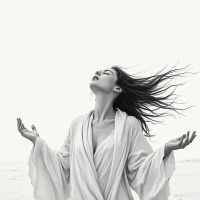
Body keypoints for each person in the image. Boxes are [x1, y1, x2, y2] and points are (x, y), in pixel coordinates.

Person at [17, 64, 197, 200]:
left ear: (117, 88)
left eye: (106, 73)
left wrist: (165, 149)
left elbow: (140, 170)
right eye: (99, 72)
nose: (97, 72)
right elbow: (62, 167)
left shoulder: (128, 125)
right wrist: (38, 142)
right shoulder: (77, 125)